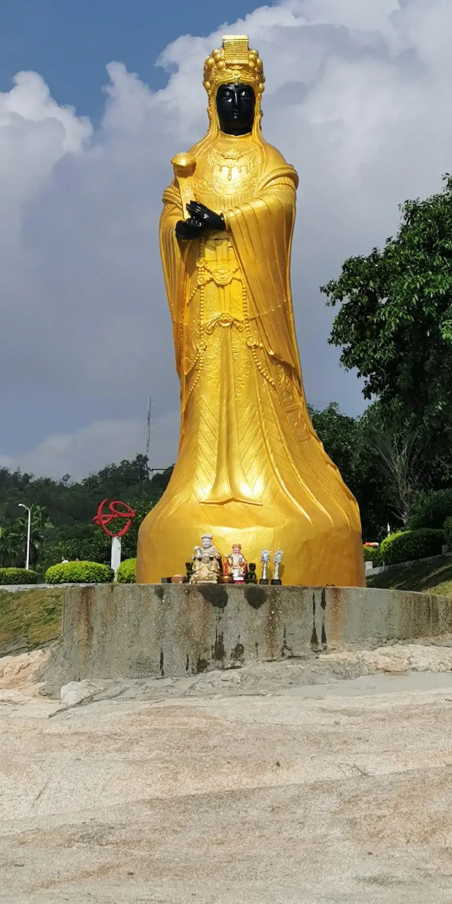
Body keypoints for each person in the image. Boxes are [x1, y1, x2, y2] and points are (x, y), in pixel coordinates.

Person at [136, 35, 364, 586]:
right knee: (210, 395)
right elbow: (170, 215)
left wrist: (229, 220)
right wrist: (182, 227)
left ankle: (271, 490)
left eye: (243, 94)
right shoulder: (197, 161)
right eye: (225, 95)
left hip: (252, 303)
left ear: (257, 100)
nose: (234, 104)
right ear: (210, 101)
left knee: (258, 395)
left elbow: (280, 199)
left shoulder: (268, 160)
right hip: (207, 304)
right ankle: (200, 493)